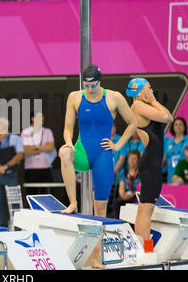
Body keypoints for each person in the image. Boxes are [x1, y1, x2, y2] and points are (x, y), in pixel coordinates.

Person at [58, 64, 136, 268]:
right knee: (64, 153)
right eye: (87, 85)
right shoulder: (75, 97)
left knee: (100, 209)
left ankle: (96, 257)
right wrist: (68, 142)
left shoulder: (114, 97)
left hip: (103, 153)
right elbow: (68, 127)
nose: (90, 88)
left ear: (100, 80)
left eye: (93, 84)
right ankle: (73, 203)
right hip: (82, 150)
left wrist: (118, 144)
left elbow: (133, 123)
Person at [126, 77, 173, 246]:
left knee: (148, 208)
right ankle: (143, 249)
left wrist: (152, 101)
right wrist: (153, 100)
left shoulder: (145, 105)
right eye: (149, 88)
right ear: (139, 91)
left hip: (153, 163)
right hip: (149, 164)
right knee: (145, 209)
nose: (151, 91)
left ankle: (145, 247)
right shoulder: (138, 106)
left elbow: (166, 114)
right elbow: (168, 117)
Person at [0, 117, 24, 227]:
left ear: (7, 126)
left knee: (14, 200)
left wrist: (6, 166)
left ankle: (17, 225)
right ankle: (2, 225)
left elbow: (20, 155)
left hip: (10, 172)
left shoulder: (15, 138)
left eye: (1, 125)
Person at [21, 111, 56, 189]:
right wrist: (44, 147)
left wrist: (34, 147)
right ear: (33, 118)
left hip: (46, 168)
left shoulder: (47, 131)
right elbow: (27, 151)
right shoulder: (26, 132)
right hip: (31, 169)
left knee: (46, 195)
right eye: (40, 117)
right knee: (32, 194)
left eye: (43, 117)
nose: (42, 118)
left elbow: (51, 147)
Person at [113, 150, 141, 219]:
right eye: (130, 158)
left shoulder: (141, 173)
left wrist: (132, 194)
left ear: (138, 160)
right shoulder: (124, 172)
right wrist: (122, 195)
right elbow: (121, 186)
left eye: (134, 159)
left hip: (135, 196)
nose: (132, 161)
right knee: (117, 202)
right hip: (125, 195)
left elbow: (140, 188)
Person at [164, 117, 188, 183]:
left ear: (184, 127)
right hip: (170, 176)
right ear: (173, 127)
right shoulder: (168, 142)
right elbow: (165, 159)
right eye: (176, 124)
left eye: (180, 124)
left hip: (184, 178)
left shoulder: (187, 141)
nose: (178, 126)